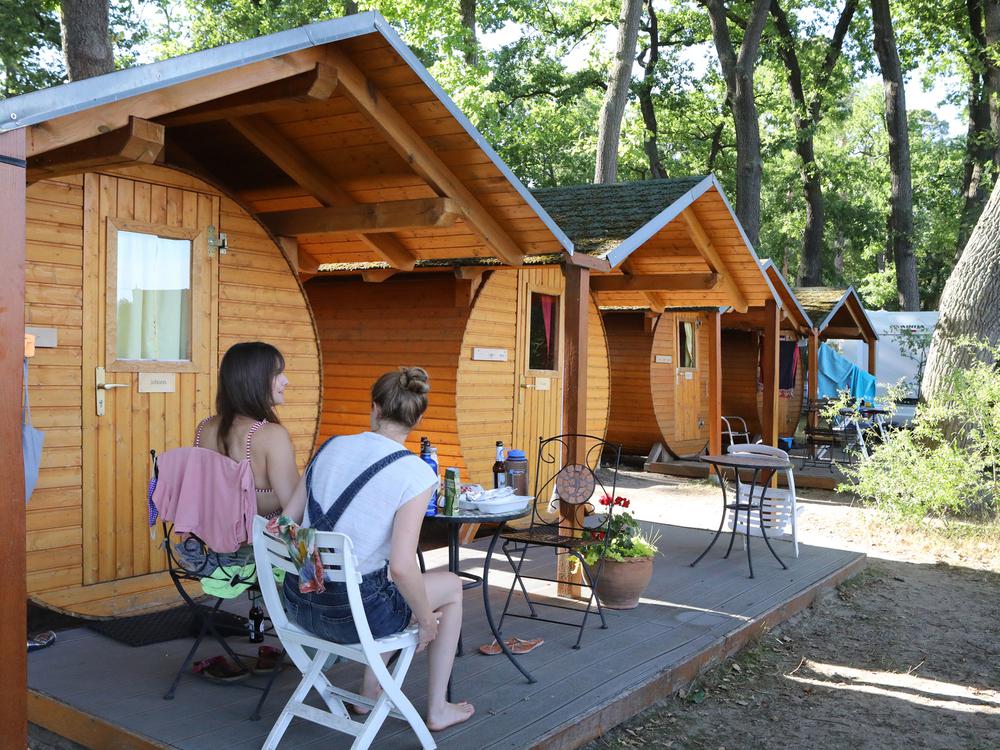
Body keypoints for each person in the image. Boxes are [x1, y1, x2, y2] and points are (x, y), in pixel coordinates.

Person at [281, 366, 474, 732]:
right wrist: (427, 621)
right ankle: (437, 708)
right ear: (417, 417)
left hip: (297, 606)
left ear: (375, 407)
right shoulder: (416, 473)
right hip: (353, 617)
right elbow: (403, 566)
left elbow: (288, 524)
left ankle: (371, 688)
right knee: (446, 588)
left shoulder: (330, 447)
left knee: (386, 585)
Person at [194, 341, 300, 517]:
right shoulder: (272, 435)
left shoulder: (204, 428)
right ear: (254, 380)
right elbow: (295, 511)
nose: (286, 381)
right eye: (277, 373)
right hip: (259, 543)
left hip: (214, 543)